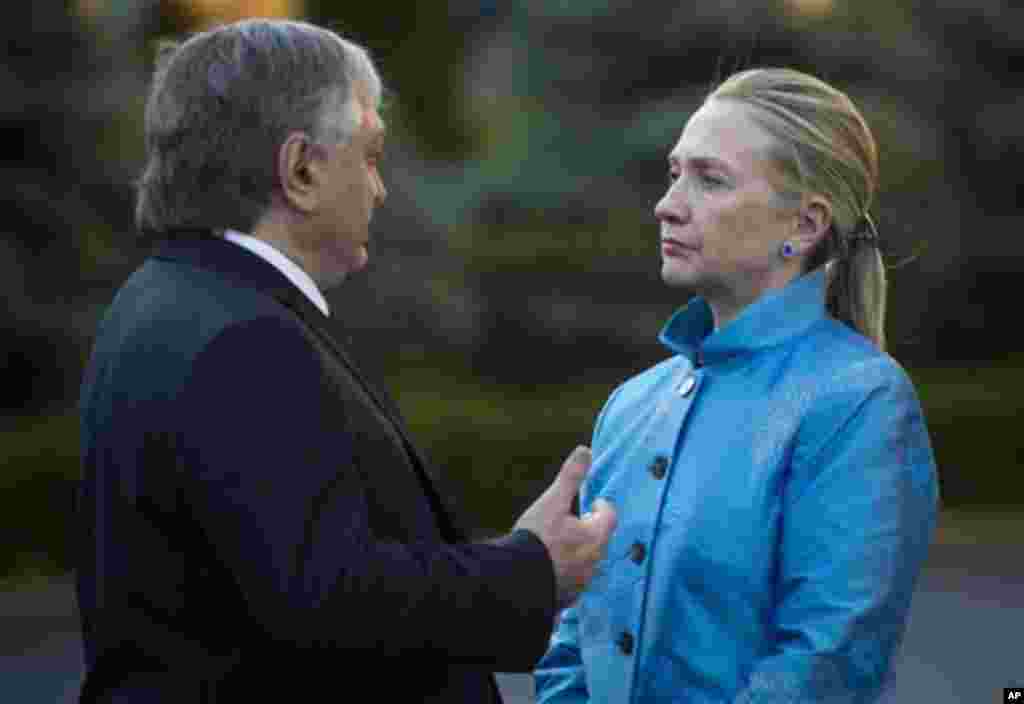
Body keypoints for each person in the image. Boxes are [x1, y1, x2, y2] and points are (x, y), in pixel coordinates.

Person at [74, 19, 616, 703]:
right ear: (300, 170)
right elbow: (331, 604)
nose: (381, 188)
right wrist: (533, 570)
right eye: (369, 154)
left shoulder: (167, 299)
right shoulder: (243, 337)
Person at [535, 67, 939, 703]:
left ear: (804, 226)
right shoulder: (631, 405)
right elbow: (574, 640)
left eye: (710, 179)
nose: (668, 204)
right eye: (675, 174)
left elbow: (826, 660)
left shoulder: (859, 400)